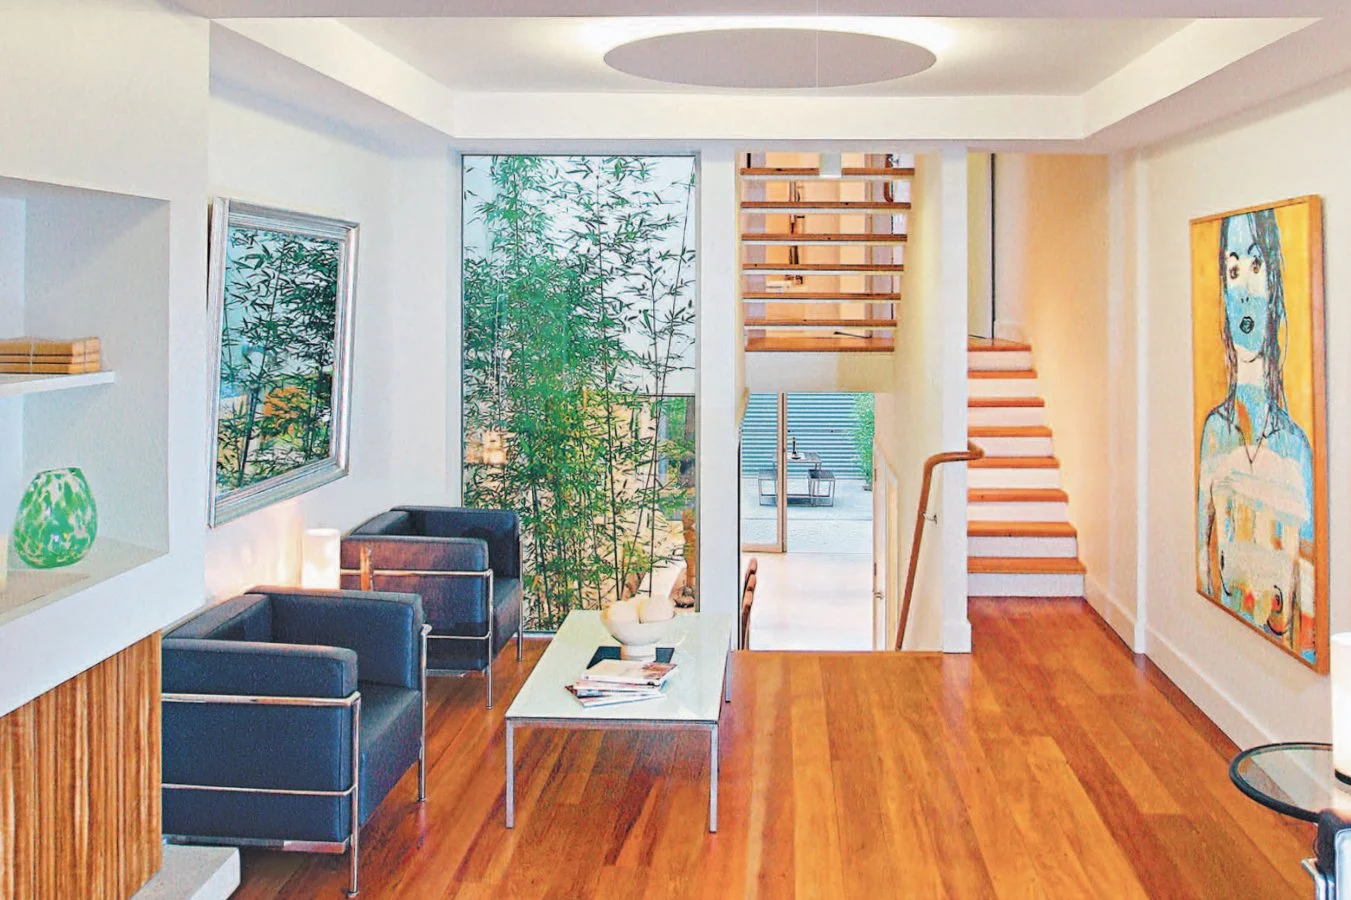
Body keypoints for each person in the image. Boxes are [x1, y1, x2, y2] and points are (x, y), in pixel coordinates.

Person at [1196, 208, 1315, 661]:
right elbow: (1204, 568)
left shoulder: (1298, 452)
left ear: (1274, 289)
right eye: (1232, 270)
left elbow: (1309, 611)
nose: (1244, 288)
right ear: (1223, 295)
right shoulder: (1213, 436)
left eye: (1255, 265)